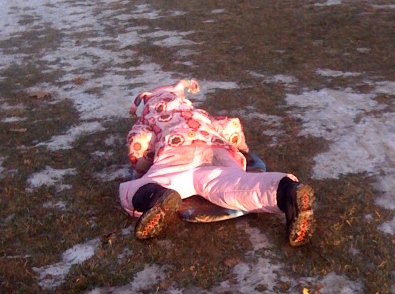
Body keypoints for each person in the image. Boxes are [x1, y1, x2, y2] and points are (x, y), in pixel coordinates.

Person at [118, 79, 316, 247]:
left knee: (131, 190)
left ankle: (156, 195)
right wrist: (243, 150)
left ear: (148, 103)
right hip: (217, 153)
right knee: (238, 186)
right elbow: (231, 126)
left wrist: (141, 169)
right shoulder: (200, 114)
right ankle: (286, 191)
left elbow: (138, 142)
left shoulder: (151, 119)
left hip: (177, 156)